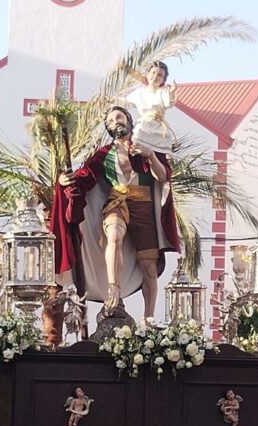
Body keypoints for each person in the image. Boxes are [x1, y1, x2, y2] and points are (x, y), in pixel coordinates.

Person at [52, 105, 179, 318]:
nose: (115, 122)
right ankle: (113, 287)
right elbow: (83, 177)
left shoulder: (146, 147)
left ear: (129, 120)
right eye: (110, 121)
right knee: (113, 235)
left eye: (118, 117)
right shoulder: (103, 154)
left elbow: (164, 177)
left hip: (143, 204)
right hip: (116, 200)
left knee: (149, 267)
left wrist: (150, 156)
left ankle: (148, 318)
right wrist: (63, 181)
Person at [125, 61, 178, 155]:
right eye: (153, 73)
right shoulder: (139, 92)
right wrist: (110, 100)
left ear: (163, 80)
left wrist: (172, 92)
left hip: (159, 128)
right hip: (144, 126)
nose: (155, 77)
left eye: (160, 75)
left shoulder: (163, 92)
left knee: (166, 138)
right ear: (148, 74)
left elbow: (169, 103)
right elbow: (126, 102)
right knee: (136, 135)